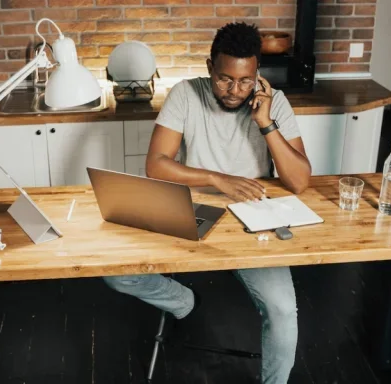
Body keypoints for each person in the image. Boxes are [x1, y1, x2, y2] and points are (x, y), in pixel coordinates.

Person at [103, 22, 312, 384]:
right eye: (224, 79)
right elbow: (156, 164)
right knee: (116, 274)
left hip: (253, 218)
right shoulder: (185, 94)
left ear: (256, 74)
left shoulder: (274, 103)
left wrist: (266, 123)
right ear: (208, 67)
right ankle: (183, 302)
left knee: (282, 310)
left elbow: (299, 180)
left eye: (245, 81)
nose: (234, 91)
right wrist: (217, 178)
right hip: (191, 206)